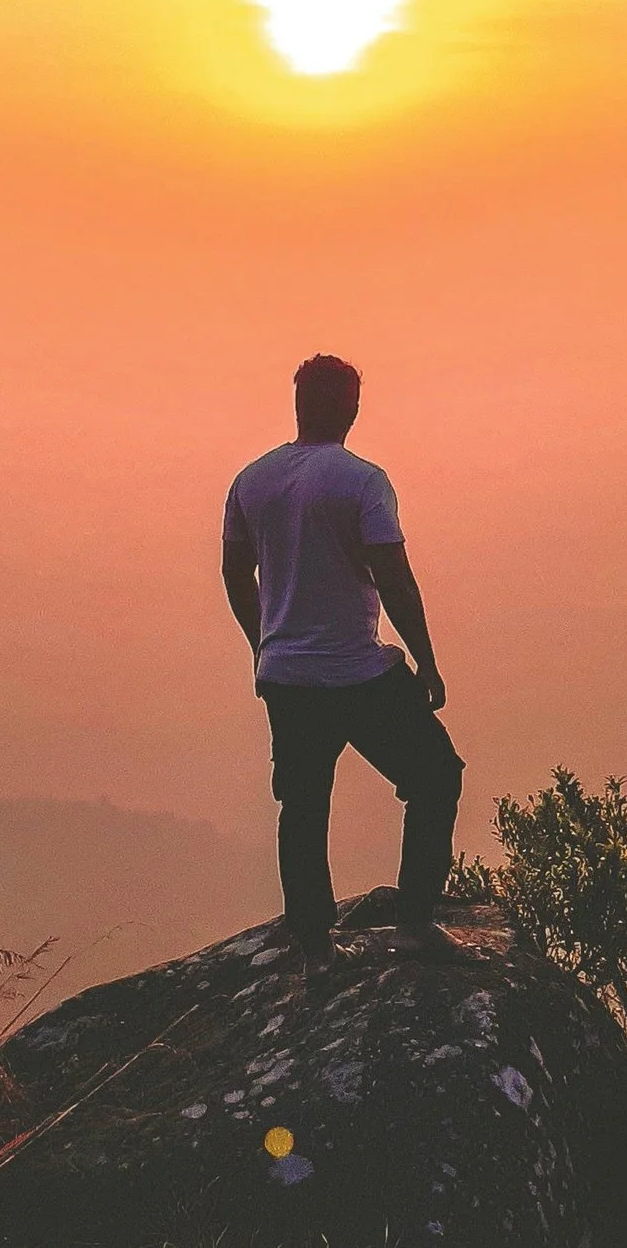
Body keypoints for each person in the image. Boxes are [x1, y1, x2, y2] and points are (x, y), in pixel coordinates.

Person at [220, 354, 465, 973]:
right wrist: (427, 661)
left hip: (288, 679)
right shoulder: (363, 481)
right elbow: (393, 577)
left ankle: (315, 948)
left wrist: (263, 643)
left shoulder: (252, 480)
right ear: (352, 409)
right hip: (357, 671)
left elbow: (234, 570)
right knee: (436, 775)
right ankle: (414, 922)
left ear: (298, 402)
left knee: (303, 807)